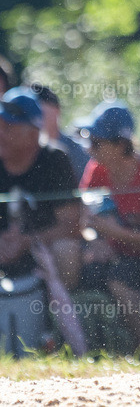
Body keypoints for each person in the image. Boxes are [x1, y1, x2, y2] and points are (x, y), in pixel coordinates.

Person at [78, 101, 140, 349]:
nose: (89, 149)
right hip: (113, 256)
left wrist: (113, 233)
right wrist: (96, 241)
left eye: (96, 143)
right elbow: (86, 219)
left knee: (121, 279)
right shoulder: (97, 170)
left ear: (121, 145)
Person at [0, 87, 82, 292]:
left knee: (67, 251)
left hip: (41, 250)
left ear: (33, 133)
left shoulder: (54, 160)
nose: (0, 133)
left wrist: (26, 242)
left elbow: (71, 226)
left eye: (8, 127)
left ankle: (60, 318)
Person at [31, 84, 91, 183]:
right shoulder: (19, 154)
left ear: (57, 109)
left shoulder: (79, 151)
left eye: (38, 107)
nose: (34, 115)